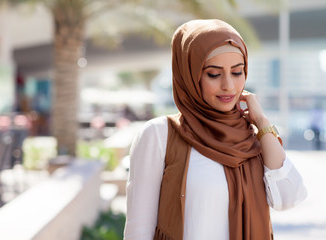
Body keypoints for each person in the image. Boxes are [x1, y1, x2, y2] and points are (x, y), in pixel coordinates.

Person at [124, 19, 307, 240]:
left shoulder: (252, 137)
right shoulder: (160, 135)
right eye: (214, 74)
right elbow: (139, 230)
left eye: (237, 72)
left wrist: (261, 121)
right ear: (190, 76)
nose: (228, 85)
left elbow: (288, 198)